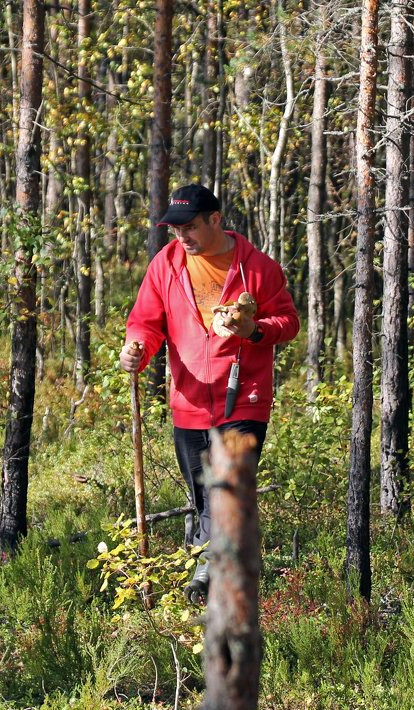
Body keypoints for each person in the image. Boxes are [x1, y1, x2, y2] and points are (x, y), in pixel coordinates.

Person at [119, 184, 299, 604]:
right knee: (204, 495)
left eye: (190, 227)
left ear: (215, 220)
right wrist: (137, 351)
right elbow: (146, 322)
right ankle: (219, 570)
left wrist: (255, 331)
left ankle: (207, 576)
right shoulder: (166, 264)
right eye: (175, 229)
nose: (182, 237)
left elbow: (287, 322)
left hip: (245, 398)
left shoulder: (257, 269)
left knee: (228, 490)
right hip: (190, 401)